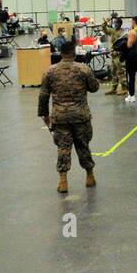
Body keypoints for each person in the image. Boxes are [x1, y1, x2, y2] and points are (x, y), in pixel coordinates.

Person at [39, 41, 100, 193]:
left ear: (60, 53)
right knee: (83, 145)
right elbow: (94, 88)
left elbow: (43, 96)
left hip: (60, 117)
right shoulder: (83, 69)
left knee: (63, 148)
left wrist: (45, 116)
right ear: (74, 53)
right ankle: (90, 176)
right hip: (80, 115)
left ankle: (63, 181)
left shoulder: (50, 72)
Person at [102, 16, 128, 96]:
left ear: (120, 24)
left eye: (117, 23)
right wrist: (105, 23)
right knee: (113, 72)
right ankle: (114, 88)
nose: (115, 24)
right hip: (113, 55)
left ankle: (124, 88)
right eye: (114, 23)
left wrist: (118, 52)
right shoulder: (113, 31)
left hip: (119, 56)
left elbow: (125, 45)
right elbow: (105, 30)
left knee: (121, 72)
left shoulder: (123, 33)